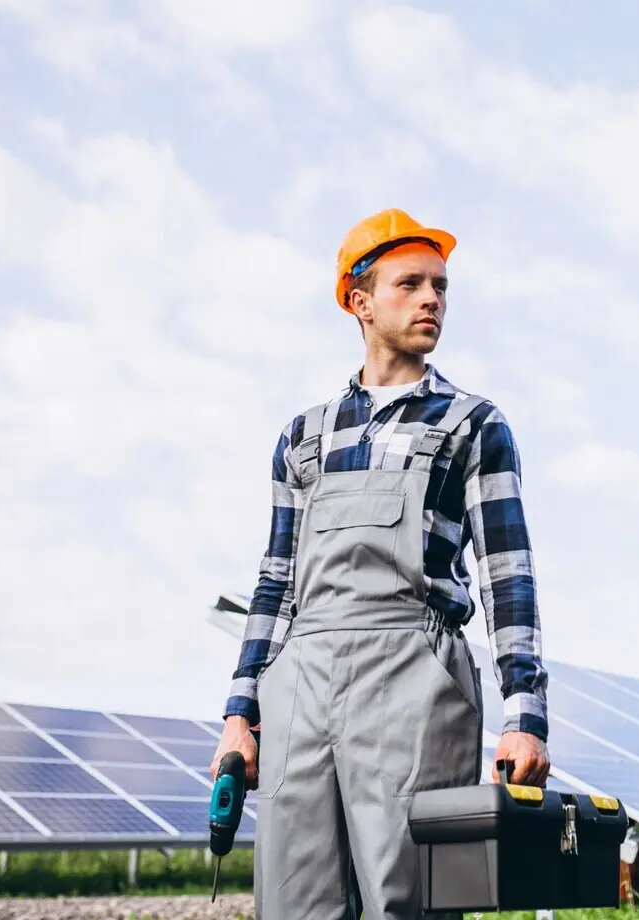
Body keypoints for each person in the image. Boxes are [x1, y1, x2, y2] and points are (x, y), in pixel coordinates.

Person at [211, 208, 551, 919]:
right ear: (359, 302)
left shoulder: (471, 424)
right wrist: (240, 713)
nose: (433, 300)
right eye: (411, 285)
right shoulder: (302, 436)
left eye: (441, 287)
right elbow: (277, 583)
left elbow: (506, 574)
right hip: (300, 683)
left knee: (410, 900)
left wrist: (526, 714)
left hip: (414, 676)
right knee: (294, 902)